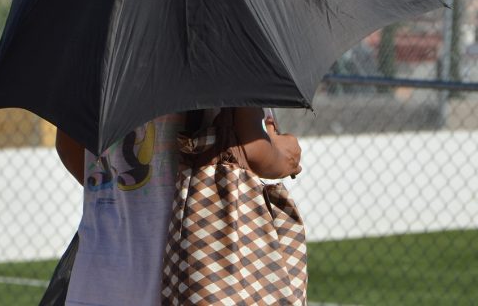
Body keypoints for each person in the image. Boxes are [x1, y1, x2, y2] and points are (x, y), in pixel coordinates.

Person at [53, 107, 302, 306]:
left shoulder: (95, 63)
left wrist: (120, 191)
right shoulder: (227, 59)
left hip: (98, 275)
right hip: (194, 272)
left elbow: (68, 146)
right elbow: (255, 151)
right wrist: (286, 156)